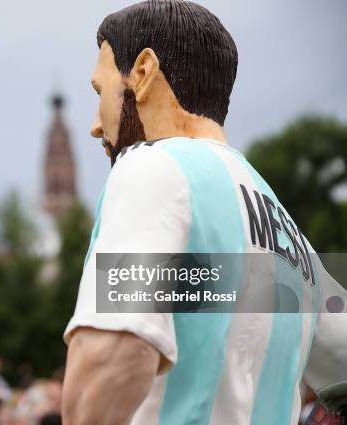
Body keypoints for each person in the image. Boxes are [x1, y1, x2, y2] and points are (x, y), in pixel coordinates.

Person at [61, 1, 347, 425]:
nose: (96, 126)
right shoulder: (288, 231)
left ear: (141, 74)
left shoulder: (152, 167)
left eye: (100, 92)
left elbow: (114, 354)